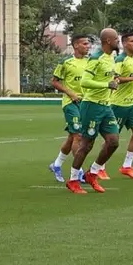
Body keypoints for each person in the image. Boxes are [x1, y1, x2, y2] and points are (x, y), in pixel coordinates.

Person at [68, 28, 121, 194]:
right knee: (87, 144)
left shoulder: (111, 57)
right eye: (116, 40)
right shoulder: (96, 59)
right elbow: (85, 82)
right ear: (108, 41)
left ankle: (93, 173)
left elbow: (107, 77)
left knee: (113, 141)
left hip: (105, 105)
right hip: (91, 105)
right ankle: (73, 179)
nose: (118, 42)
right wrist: (107, 84)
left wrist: (115, 79)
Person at [48, 35, 92, 183]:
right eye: (85, 44)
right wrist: (70, 93)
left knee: (72, 136)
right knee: (78, 136)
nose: (88, 46)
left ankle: (57, 164)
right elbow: (54, 82)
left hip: (86, 103)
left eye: (89, 44)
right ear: (76, 45)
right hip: (70, 103)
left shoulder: (91, 62)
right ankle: (78, 171)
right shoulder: (65, 62)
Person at [112, 32, 133, 180]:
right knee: (112, 139)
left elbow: (129, 79)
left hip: (132, 103)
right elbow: (115, 79)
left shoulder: (132, 59)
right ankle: (99, 168)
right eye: (132, 41)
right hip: (118, 104)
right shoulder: (120, 59)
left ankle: (127, 166)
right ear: (125, 43)